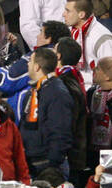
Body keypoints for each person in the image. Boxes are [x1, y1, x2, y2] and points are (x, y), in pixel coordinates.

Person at [19, 48, 74, 177]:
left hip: (47, 167)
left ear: (37, 67)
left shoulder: (57, 92)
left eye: (30, 61)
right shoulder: (36, 90)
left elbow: (61, 132)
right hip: (32, 164)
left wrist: (52, 165)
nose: (28, 64)